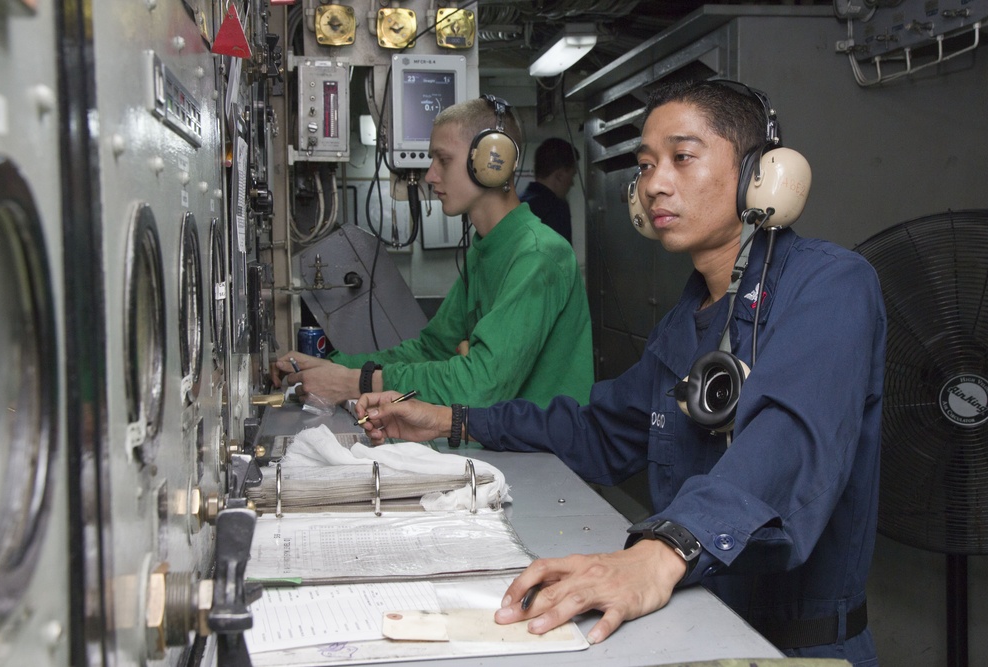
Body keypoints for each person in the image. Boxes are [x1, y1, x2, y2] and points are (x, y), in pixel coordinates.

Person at [353, 80, 886, 666]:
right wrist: (452, 419)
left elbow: (784, 443)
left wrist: (660, 554)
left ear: (759, 174)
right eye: (646, 165)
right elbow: (599, 432)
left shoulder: (833, 286)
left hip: (798, 646)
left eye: (682, 158)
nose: (654, 183)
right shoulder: (688, 320)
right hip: (699, 620)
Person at [273, 96, 594, 409]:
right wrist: (330, 367)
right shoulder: (485, 250)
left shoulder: (539, 255)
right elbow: (433, 348)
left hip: (545, 457)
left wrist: (356, 382)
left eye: (444, 160)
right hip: (507, 445)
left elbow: (481, 383)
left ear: (492, 161)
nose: (430, 175)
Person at [519, 137, 578, 245]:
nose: (572, 183)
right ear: (559, 176)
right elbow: (561, 258)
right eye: (572, 175)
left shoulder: (518, 203)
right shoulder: (557, 209)